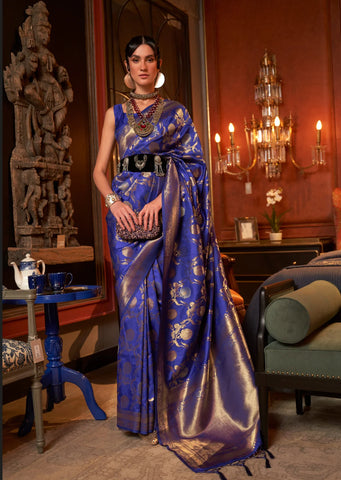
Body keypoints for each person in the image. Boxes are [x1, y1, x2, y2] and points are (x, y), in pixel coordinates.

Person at [93, 35, 265, 477]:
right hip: (126, 218)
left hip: (166, 216)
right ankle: (137, 413)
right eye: (135, 60)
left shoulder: (177, 113)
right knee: (134, 310)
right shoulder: (114, 114)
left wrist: (163, 201)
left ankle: (168, 410)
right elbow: (98, 170)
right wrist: (117, 204)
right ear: (126, 67)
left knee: (162, 307)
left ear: (159, 64)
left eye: (150, 60)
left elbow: (194, 165)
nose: (143, 67)